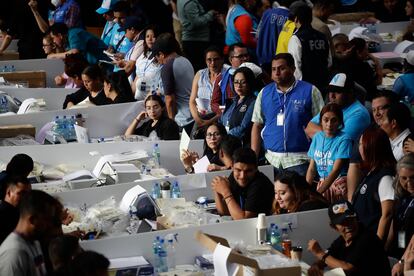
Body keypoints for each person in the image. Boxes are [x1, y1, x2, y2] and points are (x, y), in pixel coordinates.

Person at [251, 53, 324, 176]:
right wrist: (253, 158)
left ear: (293, 69)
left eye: (281, 68)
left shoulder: (310, 91)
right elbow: (257, 125)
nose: (277, 73)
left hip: (300, 160)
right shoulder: (264, 93)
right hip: (271, 160)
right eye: (274, 69)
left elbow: (323, 125)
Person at [307, 199, 391, 276]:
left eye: (351, 220)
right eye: (343, 222)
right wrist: (317, 265)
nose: (348, 226)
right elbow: (329, 255)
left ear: (356, 218)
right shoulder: (342, 240)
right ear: (333, 227)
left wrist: (319, 253)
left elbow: (347, 268)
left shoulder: (367, 238)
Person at [0, 190, 61, 276]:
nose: (50, 225)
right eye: (47, 219)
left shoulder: (34, 241)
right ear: (33, 220)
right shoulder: (14, 253)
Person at [353, 126, 396, 241]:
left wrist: (377, 246)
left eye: (362, 144)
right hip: (362, 238)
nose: (359, 148)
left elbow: (387, 215)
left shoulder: (385, 176)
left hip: (372, 242)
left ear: (372, 147)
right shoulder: (372, 173)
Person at [306, 103, 353, 202]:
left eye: (334, 120)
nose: (329, 124)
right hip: (322, 184)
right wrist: (306, 192)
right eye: (326, 120)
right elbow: (311, 169)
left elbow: (336, 170)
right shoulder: (317, 137)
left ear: (340, 122)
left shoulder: (344, 139)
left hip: (338, 185)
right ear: (321, 121)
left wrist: (317, 194)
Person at [305, 73, 371, 142]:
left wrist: (320, 134)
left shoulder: (359, 113)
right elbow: (309, 128)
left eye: (337, 91)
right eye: (330, 91)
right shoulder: (332, 107)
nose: (332, 96)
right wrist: (332, 134)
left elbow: (340, 142)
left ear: (350, 93)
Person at [211, 148, 275, 219]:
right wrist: (217, 190)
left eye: (248, 171)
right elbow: (224, 212)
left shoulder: (260, 184)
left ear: (256, 169)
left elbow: (244, 219)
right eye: (238, 170)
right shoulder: (234, 176)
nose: (242, 176)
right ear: (232, 167)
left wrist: (226, 192)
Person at [151, 33, 194, 134]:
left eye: (157, 57)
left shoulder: (167, 67)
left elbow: (169, 99)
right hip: (193, 115)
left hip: (181, 121)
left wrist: (171, 123)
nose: (158, 61)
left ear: (161, 54)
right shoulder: (185, 60)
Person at [287, 3, 330, 93]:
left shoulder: (296, 38)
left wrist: (299, 89)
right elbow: (329, 62)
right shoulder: (322, 36)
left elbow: (295, 66)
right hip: (323, 84)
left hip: (306, 87)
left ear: (296, 19)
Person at [189, 46, 228, 137]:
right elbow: (192, 101)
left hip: (220, 118)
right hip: (201, 118)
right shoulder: (200, 74)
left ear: (222, 60)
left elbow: (228, 105)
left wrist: (209, 121)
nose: (212, 63)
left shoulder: (227, 75)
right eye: (209, 60)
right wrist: (197, 118)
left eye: (216, 59)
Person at [386, 154, 414, 262]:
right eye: (404, 178)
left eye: (413, 177)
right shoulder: (402, 196)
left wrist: (402, 261)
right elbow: (395, 225)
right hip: (399, 248)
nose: (409, 182)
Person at [219, 67, 257, 146]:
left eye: (243, 82)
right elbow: (221, 120)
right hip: (225, 142)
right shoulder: (232, 101)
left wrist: (224, 136)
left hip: (240, 144)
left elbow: (243, 128)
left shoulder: (253, 102)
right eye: (236, 82)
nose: (238, 86)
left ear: (250, 83)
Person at [177, 0, 217, 71]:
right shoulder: (189, 3)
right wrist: (210, 14)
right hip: (196, 42)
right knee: (200, 72)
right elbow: (195, 22)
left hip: (192, 41)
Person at [255, 0, 290, 66]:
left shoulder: (267, 13)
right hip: (280, 61)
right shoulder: (291, 17)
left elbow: (257, 36)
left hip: (263, 58)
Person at [112, 16, 147, 81]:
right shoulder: (138, 40)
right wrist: (124, 62)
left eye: (125, 31)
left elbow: (130, 67)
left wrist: (114, 82)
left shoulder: (141, 42)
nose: (125, 35)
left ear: (133, 30)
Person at [0, 176, 32, 244]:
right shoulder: (4, 216)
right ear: (9, 193)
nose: (26, 197)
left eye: (29, 194)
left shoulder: (19, 212)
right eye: (22, 193)